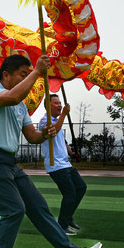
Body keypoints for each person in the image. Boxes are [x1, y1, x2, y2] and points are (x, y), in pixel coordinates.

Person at [0, 54, 102, 248]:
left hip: (8, 162)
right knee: (13, 210)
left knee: (38, 207)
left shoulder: (20, 106)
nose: (27, 78)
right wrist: (37, 71)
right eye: (23, 74)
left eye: (28, 74)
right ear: (5, 75)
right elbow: (12, 96)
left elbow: (32, 136)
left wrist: (45, 134)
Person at [37, 94, 86, 235]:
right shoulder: (44, 121)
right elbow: (53, 132)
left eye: (60, 103)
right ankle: (63, 225)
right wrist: (64, 114)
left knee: (81, 187)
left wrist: (71, 154)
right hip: (55, 165)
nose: (60, 105)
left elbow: (63, 141)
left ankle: (67, 217)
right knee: (69, 193)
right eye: (56, 103)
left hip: (65, 163)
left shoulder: (57, 121)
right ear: (48, 106)